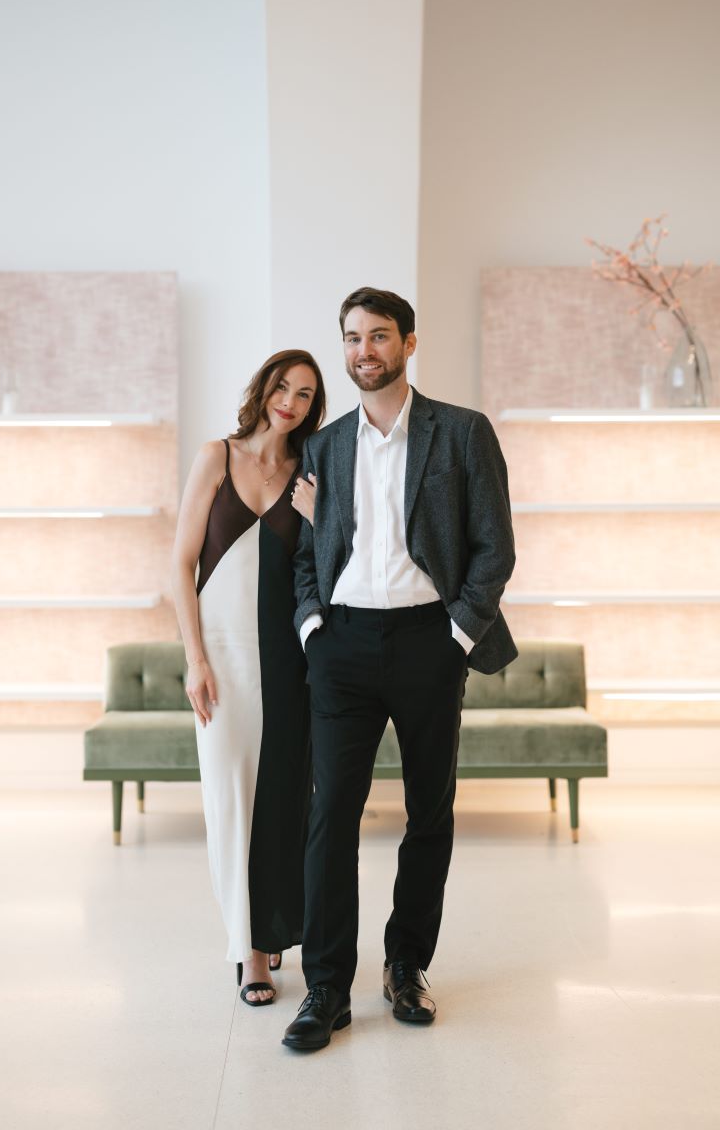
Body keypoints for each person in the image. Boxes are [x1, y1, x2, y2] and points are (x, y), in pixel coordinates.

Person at [281, 288, 517, 1050]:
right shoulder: (325, 447)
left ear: (409, 344)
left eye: (378, 337)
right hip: (342, 647)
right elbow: (307, 559)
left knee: (429, 814)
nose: (363, 352)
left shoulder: (462, 433)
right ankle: (325, 988)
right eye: (351, 338)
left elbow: (494, 549)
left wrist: (454, 636)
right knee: (330, 818)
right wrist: (314, 626)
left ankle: (406, 967)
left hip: (429, 642)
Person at [171, 350, 326, 1006]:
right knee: (230, 800)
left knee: (286, 804)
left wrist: (321, 518)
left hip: (290, 664)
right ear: (264, 389)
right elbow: (180, 566)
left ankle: (267, 941)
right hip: (223, 663)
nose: (290, 400)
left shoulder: (308, 474)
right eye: (283, 386)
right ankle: (247, 949)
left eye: (305, 393)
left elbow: (327, 567)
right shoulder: (216, 457)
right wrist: (194, 659)